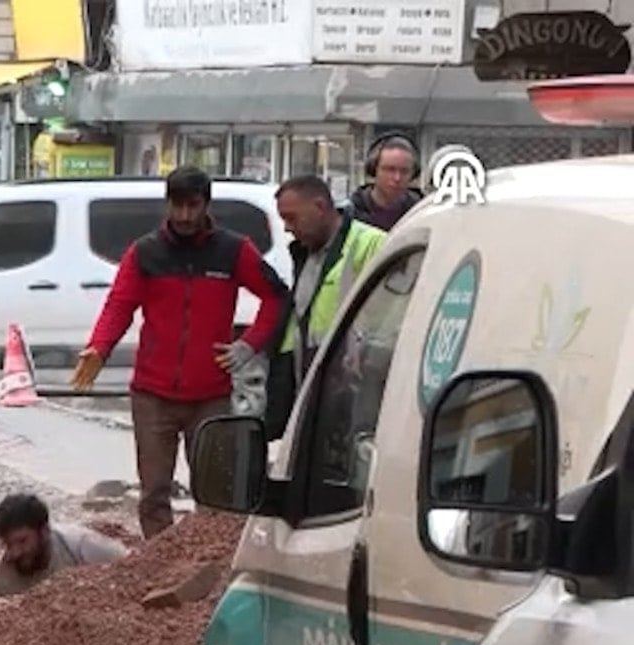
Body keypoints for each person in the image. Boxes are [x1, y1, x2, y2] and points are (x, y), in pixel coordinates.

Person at [69, 166, 288, 539]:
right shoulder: (145, 252)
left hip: (211, 396)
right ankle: (157, 561)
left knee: (216, 494)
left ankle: (209, 561)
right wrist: (99, 348)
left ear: (206, 205)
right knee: (154, 491)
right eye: (177, 206)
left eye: (193, 206)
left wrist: (248, 345)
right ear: (167, 204)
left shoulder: (234, 251)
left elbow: (276, 297)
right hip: (153, 395)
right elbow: (120, 305)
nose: (184, 216)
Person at [263, 175, 388, 438]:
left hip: (351, 387)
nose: (286, 228)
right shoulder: (306, 252)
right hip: (312, 384)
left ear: (320, 207)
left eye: (291, 218)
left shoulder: (371, 243)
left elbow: (388, 319)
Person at [0, 494, 128, 596]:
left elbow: (134, 567)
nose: (15, 552)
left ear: (44, 531)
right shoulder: (0, 579)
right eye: (8, 544)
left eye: (22, 541)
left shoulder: (82, 548)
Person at [348, 134, 422, 231]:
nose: (397, 178)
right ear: (373, 169)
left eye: (404, 171)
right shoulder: (350, 214)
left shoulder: (422, 212)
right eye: (390, 170)